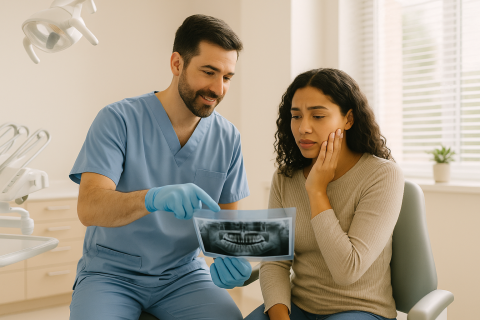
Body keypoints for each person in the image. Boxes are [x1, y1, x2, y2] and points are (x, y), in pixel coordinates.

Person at [68, 14, 252, 320]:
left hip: (184, 275)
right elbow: (89, 208)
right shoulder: (118, 120)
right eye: (209, 72)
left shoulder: (228, 137)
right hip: (110, 273)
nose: (218, 88)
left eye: (227, 77)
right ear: (177, 64)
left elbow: (225, 227)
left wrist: (232, 258)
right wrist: (151, 198)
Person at [245, 68, 404, 320]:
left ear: (348, 119)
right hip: (298, 308)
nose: (303, 128)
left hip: (360, 309)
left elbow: (347, 271)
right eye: (296, 116)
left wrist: (317, 191)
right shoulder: (285, 178)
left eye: (318, 116)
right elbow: (275, 262)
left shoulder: (382, 175)